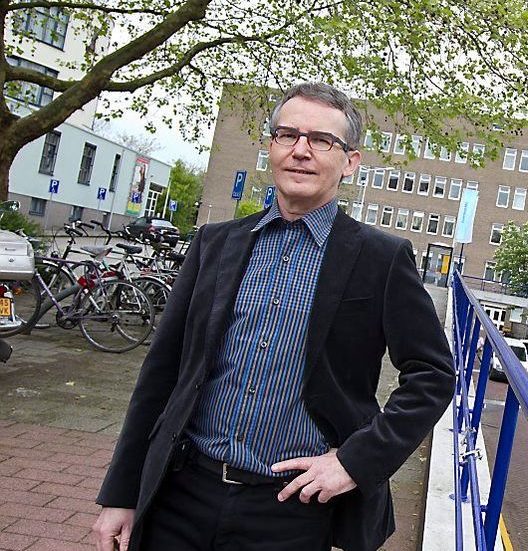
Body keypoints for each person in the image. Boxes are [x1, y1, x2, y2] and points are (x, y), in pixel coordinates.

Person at [92, 82, 456, 551]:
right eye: (288, 135)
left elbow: (433, 375)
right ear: (271, 148)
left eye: (322, 140)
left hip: (292, 513)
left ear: (350, 162)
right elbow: (161, 374)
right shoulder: (214, 244)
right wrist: (121, 494)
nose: (301, 151)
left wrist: (354, 462)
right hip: (182, 494)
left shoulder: (380, 259)